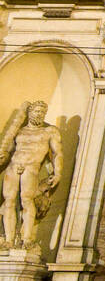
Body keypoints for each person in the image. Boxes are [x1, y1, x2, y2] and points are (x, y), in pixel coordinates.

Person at [0, 101, 62, 250]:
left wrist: (58, 172)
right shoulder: (18, 131)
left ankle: (26, 238)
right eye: (36, 111)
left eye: (42, 111)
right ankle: (9, 240)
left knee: (27, 200)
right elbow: (8, 151)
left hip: (31, 168)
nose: (39, 114)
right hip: (13, 167)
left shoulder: (49, 131)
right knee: (9, 202)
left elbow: (57, 153)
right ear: (29, 113)